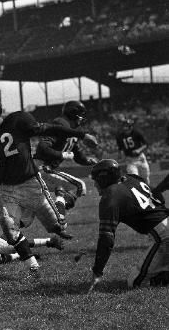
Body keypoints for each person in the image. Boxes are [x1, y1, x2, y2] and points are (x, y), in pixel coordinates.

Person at [0, 96, 98, 275]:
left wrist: (82, 135)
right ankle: (32, 265)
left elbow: (49, 128)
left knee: (58, 227)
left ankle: (58, 199)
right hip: (7, 189)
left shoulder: (17, 120)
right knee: (9, 229)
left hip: (31, 184)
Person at [88, 159, 168, 291]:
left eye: (96, 180)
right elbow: (159, 197)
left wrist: (97, 271)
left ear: (103, 179)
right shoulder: (132, 177)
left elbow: (106, 239)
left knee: (135, 282)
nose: (95, 184)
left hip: (164, 236)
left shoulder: (111, 194)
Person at [34, 100, 98, 218]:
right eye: (81, 115)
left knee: (26, 217)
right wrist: (61, 155)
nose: (82, 119)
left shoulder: (72, 132)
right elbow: (42, 147)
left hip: (43, 170)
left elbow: (78, 156)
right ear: (74, 114)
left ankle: (58, 214)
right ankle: (58, 212)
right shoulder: (61, 124)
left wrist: (88, 161)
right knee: (79, 186)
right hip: (40, 168)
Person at [116, 117, 150, 184]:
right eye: (125, 126)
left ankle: (148, 192)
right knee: (134, 179)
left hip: (140, 158)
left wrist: (139, 150)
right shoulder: (119, 137)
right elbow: (120, 148)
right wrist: (120, 156)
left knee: (145, 177)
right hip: (130, 160)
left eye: (127, 126)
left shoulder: (137, 133)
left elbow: (146, 144)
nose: (126, 128)